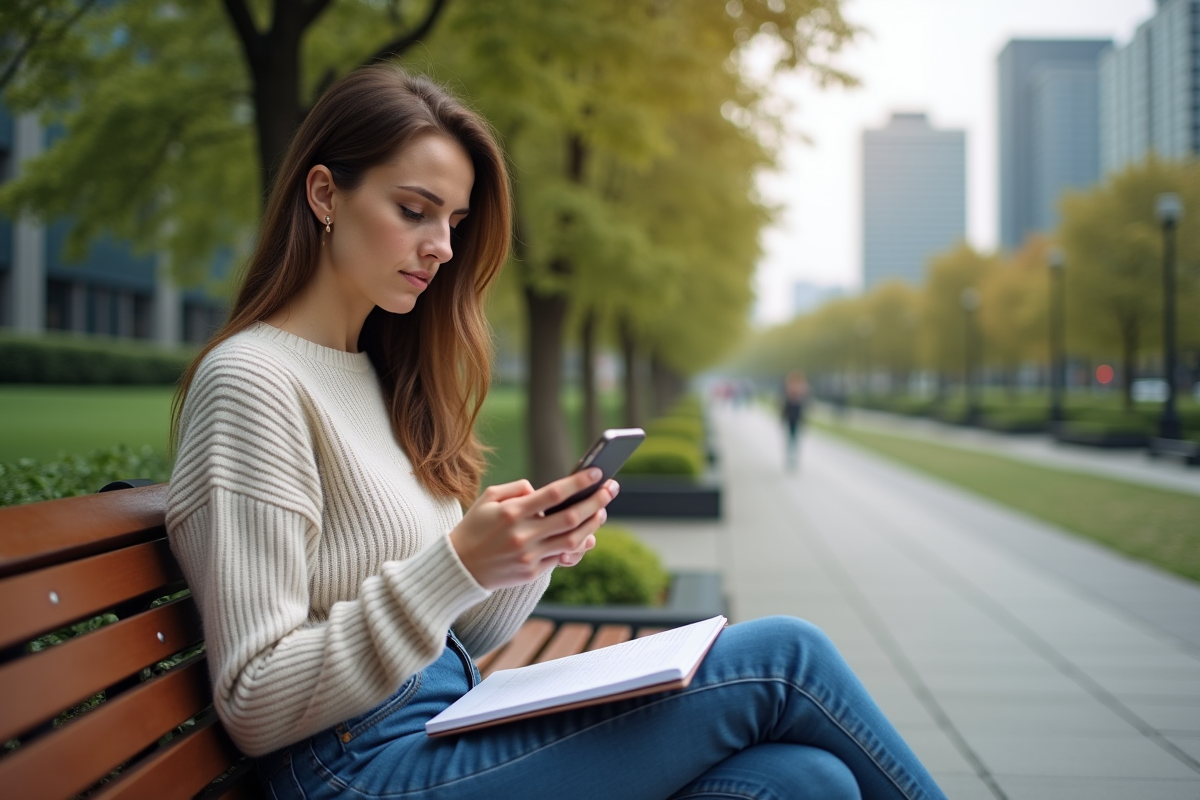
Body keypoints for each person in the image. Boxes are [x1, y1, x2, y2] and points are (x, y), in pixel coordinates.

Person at [166, 64, 947, 800]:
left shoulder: (379, 375)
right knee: (787, 657)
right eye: (414, 211)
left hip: (436, 727)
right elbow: (255, 699)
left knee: (807, 782)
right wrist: (452, 564)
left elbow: (457, 630)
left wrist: (522, 557)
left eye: (454, 221)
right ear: (326, 194)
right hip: (355, 771)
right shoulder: (253, 384)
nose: (441, 246)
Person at [782, 370, 809, 469]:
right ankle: (791, 456)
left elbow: (803, 412)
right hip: (791, 420)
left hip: (796, 420)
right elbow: (785, 410)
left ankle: (792, 457)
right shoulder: (790, 397)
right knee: (792, 438)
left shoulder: (799, 398)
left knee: (794, 439)